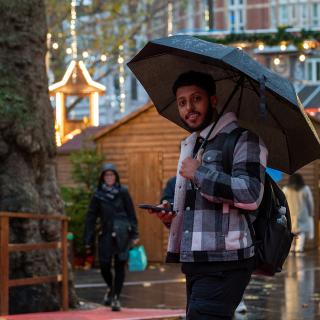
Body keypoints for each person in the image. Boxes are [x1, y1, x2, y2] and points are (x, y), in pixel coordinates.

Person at [151, 71, 268, 319]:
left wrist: (199, 174)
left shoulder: (243, 140)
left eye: (196, 99)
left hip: (226, 262)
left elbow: (250, 193)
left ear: (213, 100)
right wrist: (171, 216)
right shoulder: (193, 145)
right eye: (182, 102)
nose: (189, 108)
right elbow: (202, 209)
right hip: (196, 260)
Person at [84, 163, 139, 311]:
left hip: (122, 234)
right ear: (103, 177)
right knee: (104, 265)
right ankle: (111, 287)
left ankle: (115, 298)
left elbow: (131, 214)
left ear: (116, 176)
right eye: (106, 175)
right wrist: (88, 239)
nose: (109, 177)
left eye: (112, 175)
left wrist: (134, 233)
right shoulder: (98, 195)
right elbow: (91, 217)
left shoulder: (123, 192)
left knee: (120, 265)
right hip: (106, 234)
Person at [283, 173, 314, 253]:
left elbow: (282, 202)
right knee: (301, 231)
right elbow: (310, 202)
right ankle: (299, 248)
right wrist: (311, 213)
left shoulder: (286, 189)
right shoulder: (305, 189)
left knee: (291, 231)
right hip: (303, 213)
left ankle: (291, 248)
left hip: (290, 214)